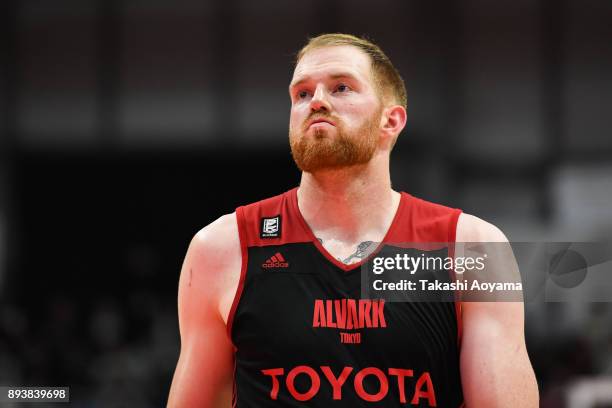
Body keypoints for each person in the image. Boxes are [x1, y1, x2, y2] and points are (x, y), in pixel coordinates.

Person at [167, 33, 539, 407]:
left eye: (341, 87)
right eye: (302, 93)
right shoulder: (221, 247)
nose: (317, 102)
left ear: (390, 121)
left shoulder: (472, 247)